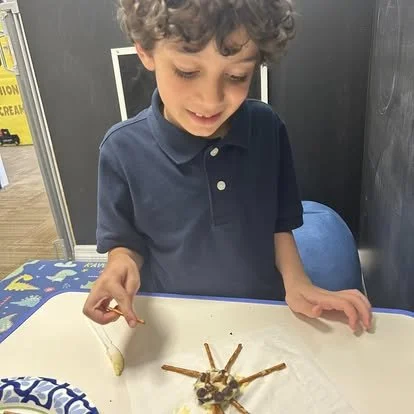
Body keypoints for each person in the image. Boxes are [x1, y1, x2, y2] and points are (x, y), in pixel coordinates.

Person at [83, 0, 372, 332]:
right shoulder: (121, 149)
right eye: (187, 72)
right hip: (173, 323)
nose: (211, 100)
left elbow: (280, 224)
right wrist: (119, 266)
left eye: (237, 75)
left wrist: (298, 283)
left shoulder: (267, 128)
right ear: (145, 52)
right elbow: (124, 242)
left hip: (263, 313)